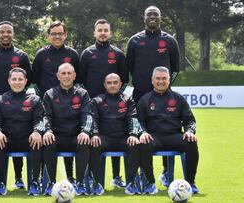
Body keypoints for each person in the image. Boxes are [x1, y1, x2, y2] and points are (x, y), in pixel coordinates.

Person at [126, 6, 180, 185]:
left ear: (160, 18)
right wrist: (142, 83)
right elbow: (130, 68)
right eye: (149, 14)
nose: (152, 17)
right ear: (144, 17)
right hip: (140, 94)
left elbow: (175, 69)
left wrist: (164, 87)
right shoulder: (134, 41)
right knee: (140, 132)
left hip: (163, 95)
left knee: (166, 129)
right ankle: (142, 172)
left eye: (155, 14)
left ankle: (166, 171)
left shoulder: (170, 41)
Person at [79, 19, 129, 188]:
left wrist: (115, 96)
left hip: (114, 105)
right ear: (94, 33)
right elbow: (81, 79)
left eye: (105, 30)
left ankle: (116, 175)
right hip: (93, 104)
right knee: (94, 139)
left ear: (110, 33)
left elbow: (125, 79)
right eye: (99, 30)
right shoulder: (86, 54)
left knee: (116, 135)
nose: (102, 33)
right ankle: (93, 177)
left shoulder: (118, 54)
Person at [0, 21, 32, 189]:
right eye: (2, 32)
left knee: (19, 136)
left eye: (8, 32)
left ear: (13, 34)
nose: (5, 35)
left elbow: (29, 78)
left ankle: (19, 178)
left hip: (19, 105)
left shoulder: (22, 56)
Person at [137, 66, 199, 194]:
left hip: (174, 136)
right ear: (152, 80)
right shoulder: (144, 100)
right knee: (143, 143)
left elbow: (190, 120)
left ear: (169, 80)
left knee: (191, 142)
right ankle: (150, 183)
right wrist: (143, 133)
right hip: (154, 137)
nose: (161, 81)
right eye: (158, 78)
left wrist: (189, 131)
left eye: (164, 78)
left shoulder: (178, 98)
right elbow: (139, 122)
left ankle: (190, 183)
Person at [32, 21, 79, 183]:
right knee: (48, 139)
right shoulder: (41, 55)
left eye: (60, 33)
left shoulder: (72, 55)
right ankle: (45, 178)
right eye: (54, 34)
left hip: (69, 102)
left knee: (70, 135)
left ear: (65, 35)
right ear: (48, 36)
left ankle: (71, 177)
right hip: (48, 105)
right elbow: (35, 79)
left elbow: (77, 76)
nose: (57, 36)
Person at [0, 68, 45, 196]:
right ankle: (0, 182)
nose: (17, 82)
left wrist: (37, 131)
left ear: (26, 81)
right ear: (9, 81)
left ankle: (35, 182)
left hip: (28, 139)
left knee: (37, 142)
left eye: (20, 79)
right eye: (14, 79)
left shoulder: (35, 100)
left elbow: (40, 120)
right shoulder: (0, 100)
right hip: (7, 139)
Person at [42, 63, 92, 196]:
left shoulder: (83, 94)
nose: (66, 76)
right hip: (57, 136)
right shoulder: (49, 94)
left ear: (74, 76)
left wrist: (85, 131)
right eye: (63, 73)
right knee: (47, 141)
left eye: (69, 73)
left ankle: (80, 183)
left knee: (84, 141)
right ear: (58, 76)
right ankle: (51, 183)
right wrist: (47, 131)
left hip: (76, 136)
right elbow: (46, 116)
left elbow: (87, 116)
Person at [90, 73, 141, 195]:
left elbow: (133, 118)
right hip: (105, 138)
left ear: (120, 84)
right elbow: (93, 119)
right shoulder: (97, 101)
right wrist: (95, 134)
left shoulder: (128, 100)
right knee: (93, 144)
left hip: (123, 138)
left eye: (115, 82)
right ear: (104, 85)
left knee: (134, 144)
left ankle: (131, 183)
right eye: (109, 83)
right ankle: (96, 183)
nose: (112, 85)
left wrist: (133, 134)